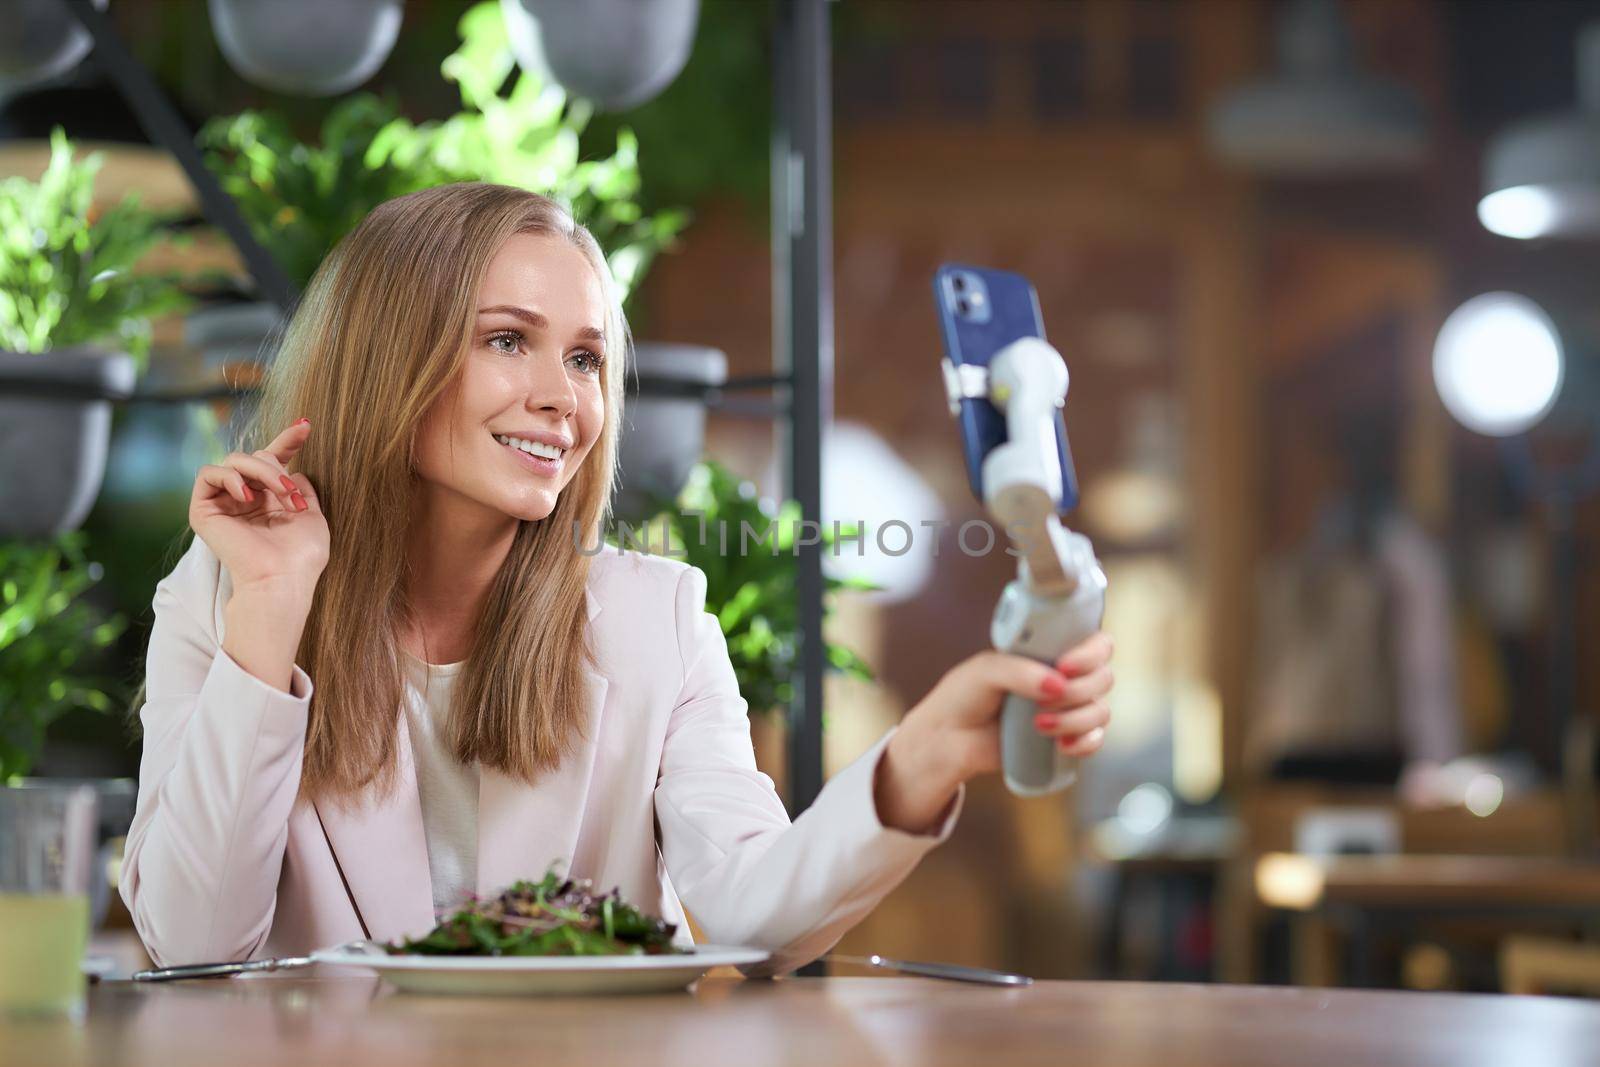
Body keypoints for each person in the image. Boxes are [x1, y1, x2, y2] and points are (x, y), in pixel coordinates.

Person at [119, 183, 1115, 975]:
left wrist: (924, 757)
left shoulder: (656, 617)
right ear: (390, 361)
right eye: (509, 340)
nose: (562, 397)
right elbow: (193, 940)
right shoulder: (228, 594)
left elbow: (756, 911)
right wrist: (273, 604)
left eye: (588, 357)